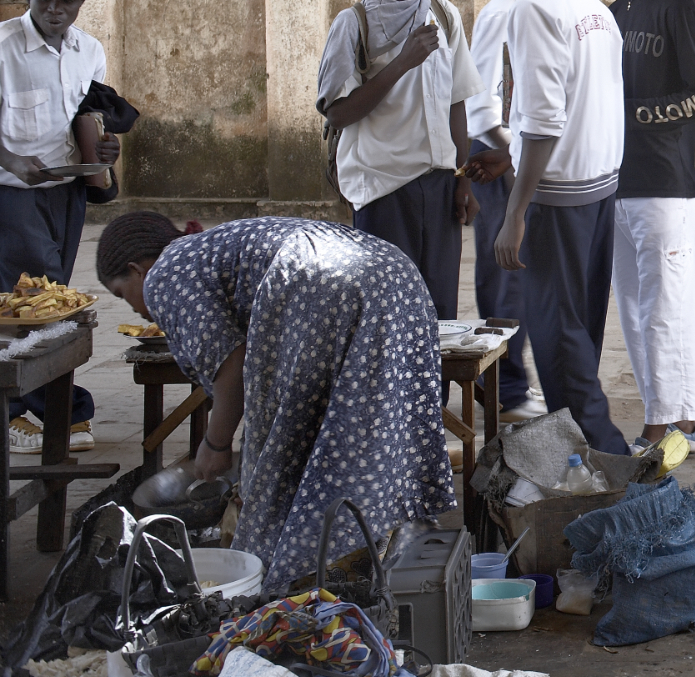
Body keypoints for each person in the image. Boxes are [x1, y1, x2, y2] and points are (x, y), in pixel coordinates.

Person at [94, 212, 455, 591]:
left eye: (122, 294)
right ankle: (383, 555)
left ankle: (301, 578)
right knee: (370, 432)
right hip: (394, 272)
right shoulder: (212, 248)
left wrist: (215, 445)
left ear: (137, 270)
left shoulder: (164, 274)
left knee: (289, 454)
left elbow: (231, 365)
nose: (134, 308)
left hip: (328, 283)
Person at [489, 0, 628, 456]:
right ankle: (583, 457)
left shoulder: (534, 8)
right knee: (580, 331)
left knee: (558, 339)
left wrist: (516, 213)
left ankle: (610, 461)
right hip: (598, 190)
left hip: (560, 197)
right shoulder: (587, 0)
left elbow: (543, 122)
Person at [599, 0, 695, 453]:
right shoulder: (616, 12)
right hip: (618, 185)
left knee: (664, 313)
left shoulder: (679, 5)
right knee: (634, 315)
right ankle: (682, 422)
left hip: (665, 189)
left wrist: (636, 118)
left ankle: (661, 426)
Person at [317, 0, 482, 318]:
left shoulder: (444, 16)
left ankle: (433, 386)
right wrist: (402, 62)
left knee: (439, 313)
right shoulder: (354, 23)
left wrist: (461, 178)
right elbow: (339, 113)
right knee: (387, 314)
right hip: (383, 190)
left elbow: (456, 101)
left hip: (440, 190)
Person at [0, 0, 119, 453]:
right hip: (13, 193)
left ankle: (45, 408)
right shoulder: (4, 46)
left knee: (52, 298)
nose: (54, 8)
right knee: (33, 299)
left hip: (67, 190)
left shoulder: (88, 50)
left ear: (80, 4)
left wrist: (107, 150)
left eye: (66, 1)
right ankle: (44, 412)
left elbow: (88, 118)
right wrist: (11, 161)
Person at [460, 0, 540, 420]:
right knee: (504, 276)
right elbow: (483, 103)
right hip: (499, 154)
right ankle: (505, 391)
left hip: (524, 153)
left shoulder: (540, 5)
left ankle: (513, 384)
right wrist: (511, 157)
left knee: (522, 273)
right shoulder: (501, 13)